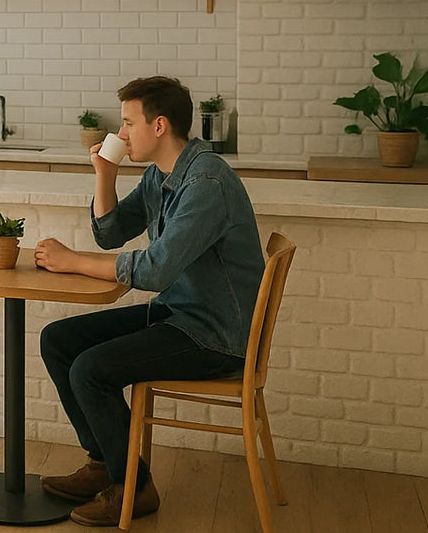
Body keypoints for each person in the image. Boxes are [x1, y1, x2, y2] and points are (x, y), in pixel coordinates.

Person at [33, 76, 265, 527]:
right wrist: (105, 175)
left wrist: (72, 261)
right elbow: (111, 232)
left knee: (91, 370)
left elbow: (155, 270)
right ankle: (103, 465)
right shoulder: (163, 175)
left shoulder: (206, 183)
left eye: (127, 123)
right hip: (178, 314)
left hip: (212, 333)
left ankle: (134, 488)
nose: (120, 134)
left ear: (158, 126)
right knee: (58, 340)